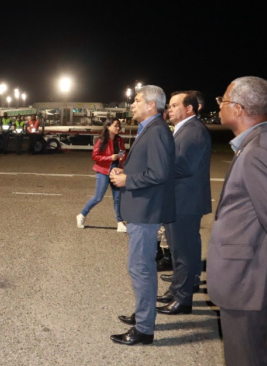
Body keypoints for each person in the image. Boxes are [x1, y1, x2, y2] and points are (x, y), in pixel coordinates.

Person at [207, 76, 267, 366]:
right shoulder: (256, 144)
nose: (220, 105)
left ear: (237, 109)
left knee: (245, 359)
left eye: (222, 100)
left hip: (247, 283)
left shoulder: (258, 152)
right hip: (247, 279)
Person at [109, 85, 175, 345]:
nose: (132, 104)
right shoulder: (150, 128)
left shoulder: (157, 131)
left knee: (140, 269)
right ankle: (142, 314)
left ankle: (144, 329)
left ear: (151, 105)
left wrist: (128, 180)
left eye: (137, 100)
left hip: (146, 211)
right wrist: (124, 174)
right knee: (141, 267)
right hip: (143, 208)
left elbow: (160, 173)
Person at [156, 91, 211, 315]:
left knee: (184, 251)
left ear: (189, 109)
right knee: (179, 250)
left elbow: (184, 166)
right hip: (180, 200)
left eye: (174, 105)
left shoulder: (193, 131)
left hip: (185, 202)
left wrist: (156, 170)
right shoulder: (185, 129)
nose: (169, 110)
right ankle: (178, 289)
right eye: (169, 105)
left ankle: (183, 299)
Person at [76, 118, 127, 232]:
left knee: (118, 197)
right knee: (98, 197)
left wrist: (122, 156)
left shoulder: (120, 140)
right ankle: (82, 215)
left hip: (117, 170)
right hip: (103, 171)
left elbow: (123, 151)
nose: (118, 128)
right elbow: (95, 156)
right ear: (108, 127)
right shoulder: (101, 140)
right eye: (115, 126)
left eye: (119, 126)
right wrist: (110, 157)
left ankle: (120, 222)